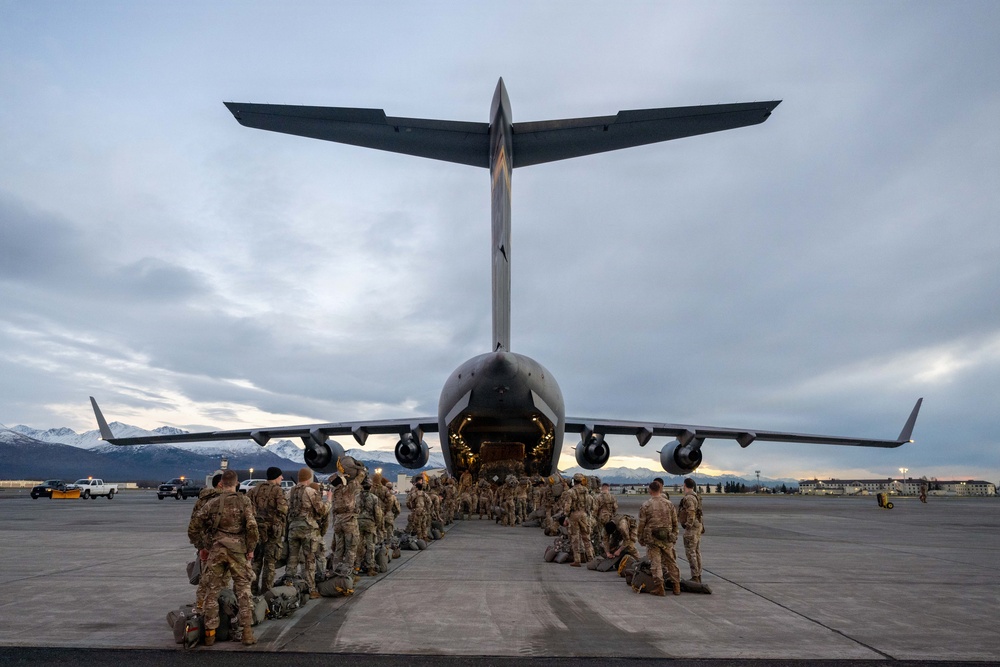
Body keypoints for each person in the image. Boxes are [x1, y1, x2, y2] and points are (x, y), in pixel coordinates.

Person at [191, 469, 259, 646]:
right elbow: (252, 526)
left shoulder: (213, 502)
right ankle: (247, 632)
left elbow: (194, 525)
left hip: (217, 550)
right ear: (236, 483)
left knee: (212, 591)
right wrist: (250, 549)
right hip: (237, 551)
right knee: (244, 591)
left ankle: (210, 633)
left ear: (222, 482)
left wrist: (202, 545)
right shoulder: (244, 501)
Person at [286, 468, 327, 598]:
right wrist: (329, 502)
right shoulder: (311, 491)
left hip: (293, 528)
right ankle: (311, 588)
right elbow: (321, 510)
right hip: (308, 530)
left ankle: (289, 586)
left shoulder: (290, 492)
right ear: (309, 478)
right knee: (309, 559)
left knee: (292, 558)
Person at [247, 466, 288, 594]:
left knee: (256, 562)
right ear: (276, 476)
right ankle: (266, 592)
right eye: (280, 476)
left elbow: (247, 505)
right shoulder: (278, 491)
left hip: (257, 531)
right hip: (272, 532)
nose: (282, 478)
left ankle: (252, 590)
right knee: (270, 564)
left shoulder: (255, 489)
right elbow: (283, 509)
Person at [188, 473, 224, 614]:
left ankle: (200, 607)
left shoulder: (201, 501)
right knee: (221, 581)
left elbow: (193, 525)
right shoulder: (224, 500)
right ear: (220, 483)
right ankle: (215, 610)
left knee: (204, 579)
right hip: (220, 546)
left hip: (206, 546)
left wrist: (200, 546)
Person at [637, 479, 680, 596]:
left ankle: (659, 587)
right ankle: (676, 586)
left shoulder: (646, 505)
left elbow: (641, 524)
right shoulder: (669, 504)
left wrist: (640, 538)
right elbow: (675, 522)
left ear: (650, 490)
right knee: (671, 561)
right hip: (667, 537)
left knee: (656, 563)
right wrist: (674, 535)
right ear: (660, 489)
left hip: (652, 539)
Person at [564, 473, 594, 567]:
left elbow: (567, 506)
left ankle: (577, 560)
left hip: (574, 515)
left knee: (575, 538)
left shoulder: (571, 492)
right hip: (584, 514)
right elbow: (589, 502)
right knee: (586, 537)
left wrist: (566, 516)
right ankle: (591, 558)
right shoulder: (585, 491)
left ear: (574, 480)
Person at [356, 477, 384, 575]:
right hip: (369, 523)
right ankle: (370, 567)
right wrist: (378, 523)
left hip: (358, 522)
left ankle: (357, 566)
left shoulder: (356, 497)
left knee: (358, 545)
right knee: (370, 545)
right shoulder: (374, 498)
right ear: (370, 486)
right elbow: (377, 513)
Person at [678, 477, 703, 582]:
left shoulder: (689, 498)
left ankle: (695, 576)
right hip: (697, 526)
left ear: (685, 485)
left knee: (690, 552)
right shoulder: (696, 496)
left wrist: (688, 524)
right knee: (696, 551)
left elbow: (691, 511)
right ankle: (698, 574)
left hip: (692, 528)